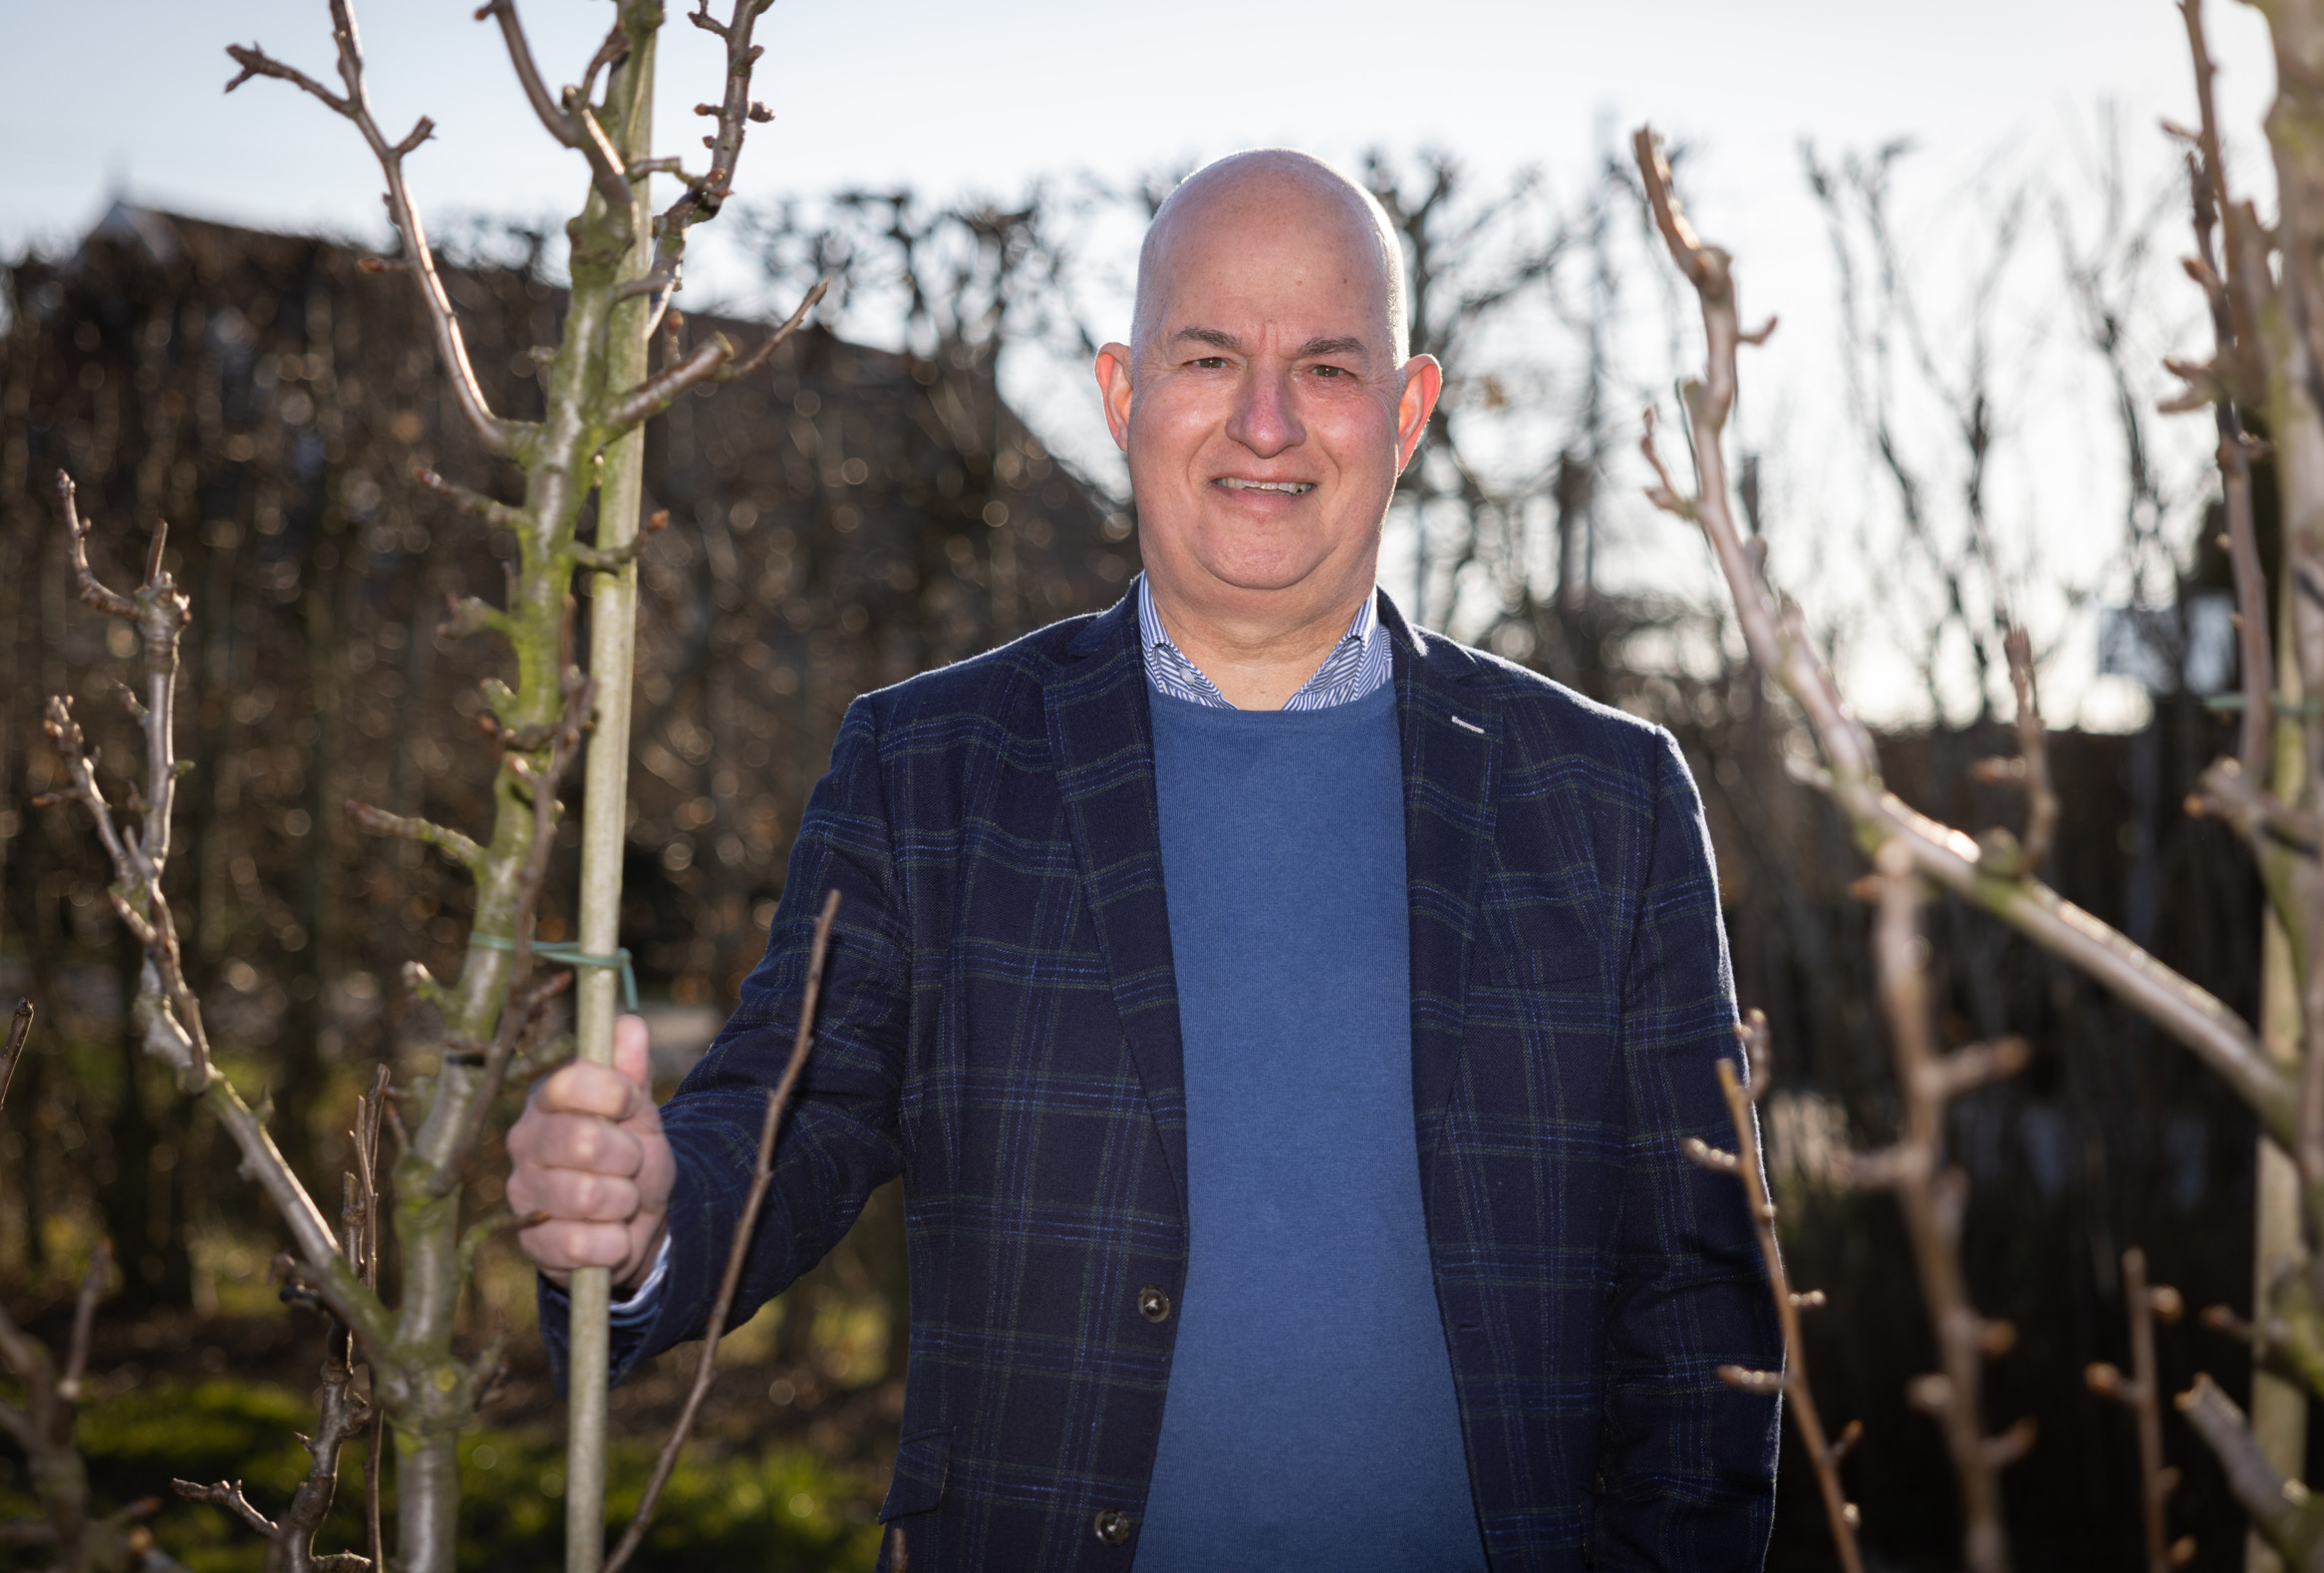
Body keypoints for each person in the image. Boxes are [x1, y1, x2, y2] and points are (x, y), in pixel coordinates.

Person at [506, 150, 1781, 1570]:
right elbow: (790, 1113)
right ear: (1122, 396)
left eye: (1330, 367)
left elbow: (1705, 1319)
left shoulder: (1610, 804)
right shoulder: (932, 769)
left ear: (1409, 411)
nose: (1266, 421)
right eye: (1211, 355)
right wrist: (648, 1211)